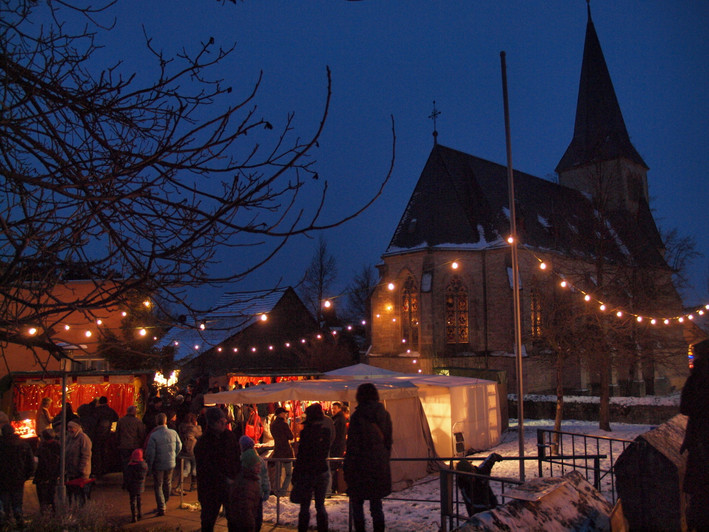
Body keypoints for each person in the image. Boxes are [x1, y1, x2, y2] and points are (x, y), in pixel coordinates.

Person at [344, 383, 393, 532]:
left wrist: (348, 469)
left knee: (357, 506)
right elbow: (388, 442)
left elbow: (352, 446)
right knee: (376, 506)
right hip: (379, 467)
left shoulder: (357, 417)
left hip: (359, 468)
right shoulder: (384, 415)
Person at [194, 406, 241, 532]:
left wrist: (236, 478)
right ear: (212, 423)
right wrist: (225, 479)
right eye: (220, 421)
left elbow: (237, 459)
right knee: (208, 521)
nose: (223, 423)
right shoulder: (204, 443)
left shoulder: (229, 437)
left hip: (229, 487)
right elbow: (206, 468)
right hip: (211, 489)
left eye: (223, 421)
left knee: (234, 520)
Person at [680, 338, 709, 531]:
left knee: (701, 493)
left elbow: (685, 406)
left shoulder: (698, 376)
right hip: (701, 438)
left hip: (701, 440)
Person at [291, 403, 332, 532]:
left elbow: (302, 455)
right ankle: (323, 528)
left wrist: (296, 473)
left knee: (305, 506)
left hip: (307, 472)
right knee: (320, 505)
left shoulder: (306, 433)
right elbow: (324, 451)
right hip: (321, 470)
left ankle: (302, 529)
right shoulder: (326, 432)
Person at [230, 435, 271, 532]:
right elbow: (265, 477)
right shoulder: (257, 460)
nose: (258, 468)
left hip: (255, 494)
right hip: (256, 494)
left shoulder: (242, 460)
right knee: (255, 517)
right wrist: (266, 490)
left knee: (254, 517)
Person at [144, 412, 181, 516]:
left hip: (159, 463)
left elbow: (150, 453)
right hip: (170, 462)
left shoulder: (154, 435)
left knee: (159, 485)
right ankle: (165, 501)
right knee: (167, 483)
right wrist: (173, 455)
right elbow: (179, 445)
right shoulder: (173, 433)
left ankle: (161, 506)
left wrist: (150, 466)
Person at [0, 424, 35, 527]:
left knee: (5, 500)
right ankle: (19, 518)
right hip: (18, 478)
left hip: (2, 478)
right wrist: (26, 476)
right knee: (17, 501)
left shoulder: (1, 445)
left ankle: (6, 520)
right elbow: (30, 462)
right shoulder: (23, 444)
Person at [116, 405, 146, 488]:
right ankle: (133, 482)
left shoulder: (121, 421)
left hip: (123, 446)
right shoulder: (138, 422)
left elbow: (117, 434)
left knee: (125, 465)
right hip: (134, 446)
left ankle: (126, 482)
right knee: (135, 465)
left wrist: (118, 443)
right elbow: (141, 434)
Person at [33, 428, 61, 514]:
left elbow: (37, 462)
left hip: (43, 476)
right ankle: (52, 512)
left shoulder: (42, 448)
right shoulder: (58, 446)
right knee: (51, 496)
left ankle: (45, 514)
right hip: (53, 476)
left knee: (43, 497)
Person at [65, 420, 93, 505]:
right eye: (68, 427)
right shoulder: (69, 438)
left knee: (80, 494)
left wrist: (83, 470)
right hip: (71, 471)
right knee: (72, 493)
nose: (69, 429)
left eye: (71, 427)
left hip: (80, 472)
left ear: (77, 428)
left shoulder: (83, 438)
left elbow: (86, 455)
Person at [174, 412, 202, 494]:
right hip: (192, 450)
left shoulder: (181, 427)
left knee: (186, 469)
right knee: (194, 468)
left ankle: (179, 486)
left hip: (183, 450)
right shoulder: (193, 428)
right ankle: (193, 485)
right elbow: (200, 435)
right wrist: (198, 426)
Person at [270, 406, 294, 496]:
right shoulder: (284, 424)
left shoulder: (273, 424)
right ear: (280, 414)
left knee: (278, 474)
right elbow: (290, 436)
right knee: (289, 473)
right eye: (284, 413)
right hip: (286, 452)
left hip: (277, 451)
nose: (285, 414)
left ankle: (276, 490)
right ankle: (283, 491)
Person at [93, 396, 119, 477]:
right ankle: (105, 468)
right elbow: (116, 418)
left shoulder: (96, 411)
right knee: (105, 451)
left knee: (97, 452)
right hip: (107, 435)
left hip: (97, 435)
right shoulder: (110, 411)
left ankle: (98, 469)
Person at [329, 402, 348, 494]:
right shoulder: (338, 419)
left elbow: (336, 434)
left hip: (337, 447)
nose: (333, 410)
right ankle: (334, 487)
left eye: (335, 408)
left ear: (339, 409)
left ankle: (333, 487)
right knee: (334, 467)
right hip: (338, 446)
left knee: (334, 467)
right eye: (333, 408)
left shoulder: (339, 419)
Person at [125, 448, 148, 523]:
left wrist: (126, 485)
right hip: (140, 486)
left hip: (132, 486)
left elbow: (128, 477)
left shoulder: (131, 467)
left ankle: (134, 516)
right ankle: (140, 513)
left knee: (132, 501)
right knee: (139, 498)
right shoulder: (144, 465)